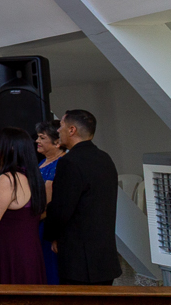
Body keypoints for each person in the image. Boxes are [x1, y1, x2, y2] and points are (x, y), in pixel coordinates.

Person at [44, 110, 121, 285]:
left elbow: (61, 208)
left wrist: (51, 234)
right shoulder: (105, 158)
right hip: (104, 255)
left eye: (61, 126)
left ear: (72, 130)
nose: (58, 131)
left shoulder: (70, 162)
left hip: (78, 259)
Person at [0, 128, 47, 284]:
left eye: (0, 144)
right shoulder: (32, 176)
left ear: (11, 148)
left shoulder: (9, 179)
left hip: (6, 251)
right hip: (29, 249)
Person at [36, 119, 66, 284]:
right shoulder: (43, 162)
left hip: (45, 225)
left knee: (49, 271)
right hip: (37, 222)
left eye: (42, 138)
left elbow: (47, 205)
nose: (37, 141)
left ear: (56, 143)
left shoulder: (59, 164)